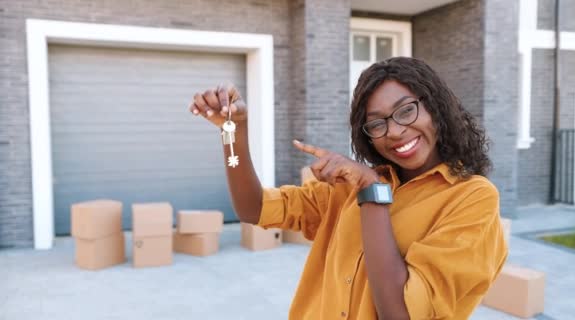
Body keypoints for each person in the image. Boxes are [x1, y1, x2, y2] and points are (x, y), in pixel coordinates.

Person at [189, 57, 508, 320]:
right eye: (377, 123)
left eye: (406, 110)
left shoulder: (473, 198)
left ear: (436, 108)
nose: (395, 131)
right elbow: (252, 208)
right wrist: (232, 131)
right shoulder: (345, 188)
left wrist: (372, 192)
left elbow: (401, 314)